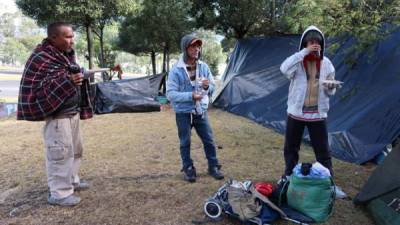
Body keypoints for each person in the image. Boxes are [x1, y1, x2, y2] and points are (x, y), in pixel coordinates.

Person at [17, 22, 120, 206]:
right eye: (68, 37)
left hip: (72, 113)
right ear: (53, 38)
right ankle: (59, 194)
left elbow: (78, 73)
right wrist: (68, 80)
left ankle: (72, 181)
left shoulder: (65, 56)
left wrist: (105, 70)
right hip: (58, 117)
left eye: (72, 36)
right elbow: (41, 90)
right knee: (60, 154)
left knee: (75, 151)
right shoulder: (41, 58)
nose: (72, 40)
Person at [279, 25, 341, 183]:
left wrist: (331, 87)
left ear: (322, 44)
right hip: (296, 113)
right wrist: (303, 53)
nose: (314, 45)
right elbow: (284, 69)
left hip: (317, 115)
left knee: (323, 151)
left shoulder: (326, 63)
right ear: (304, 43)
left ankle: (328, 182)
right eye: (311, 42)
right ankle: (288, 177)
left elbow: (330, 90)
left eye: (317, 42)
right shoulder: (298, 61)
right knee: (291, 148)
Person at [166, 34, 224, 182]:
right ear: (186, 48)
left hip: (200, 110)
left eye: (198, 46)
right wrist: (190, 96)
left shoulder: (203, 67)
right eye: (193, 46)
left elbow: (212, 87)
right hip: (183, 113)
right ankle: (188, 168)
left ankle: (213, 166)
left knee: (209, 140)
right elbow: (170, 94)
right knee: (185, 142)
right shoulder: (176, 70)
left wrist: (207, 86)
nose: (197, 49)